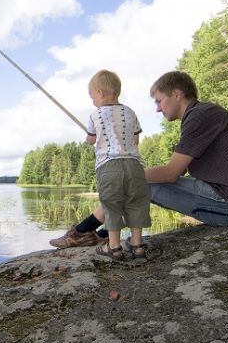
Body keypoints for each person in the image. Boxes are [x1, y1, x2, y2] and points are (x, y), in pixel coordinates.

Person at [49, 71, 228, 248]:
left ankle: (84, 232)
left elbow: (170, 173)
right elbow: (175, 173)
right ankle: (99, 233)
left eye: (159, 101)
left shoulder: (200, 116)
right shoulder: (201, 115)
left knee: (137, 183)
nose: (157, 108)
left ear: (176, 94)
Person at [49, 70, 151, 259]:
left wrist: (92, 137)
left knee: (111, 205)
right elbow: (136, 140)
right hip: (134, 165)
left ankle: (113, 247)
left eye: (92, 96)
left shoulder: (95, 115)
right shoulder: (130, 112)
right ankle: (138, 245)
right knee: (136, 203)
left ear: (100, 93)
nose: (92, 101)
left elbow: (90, 140)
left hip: (109, 166)